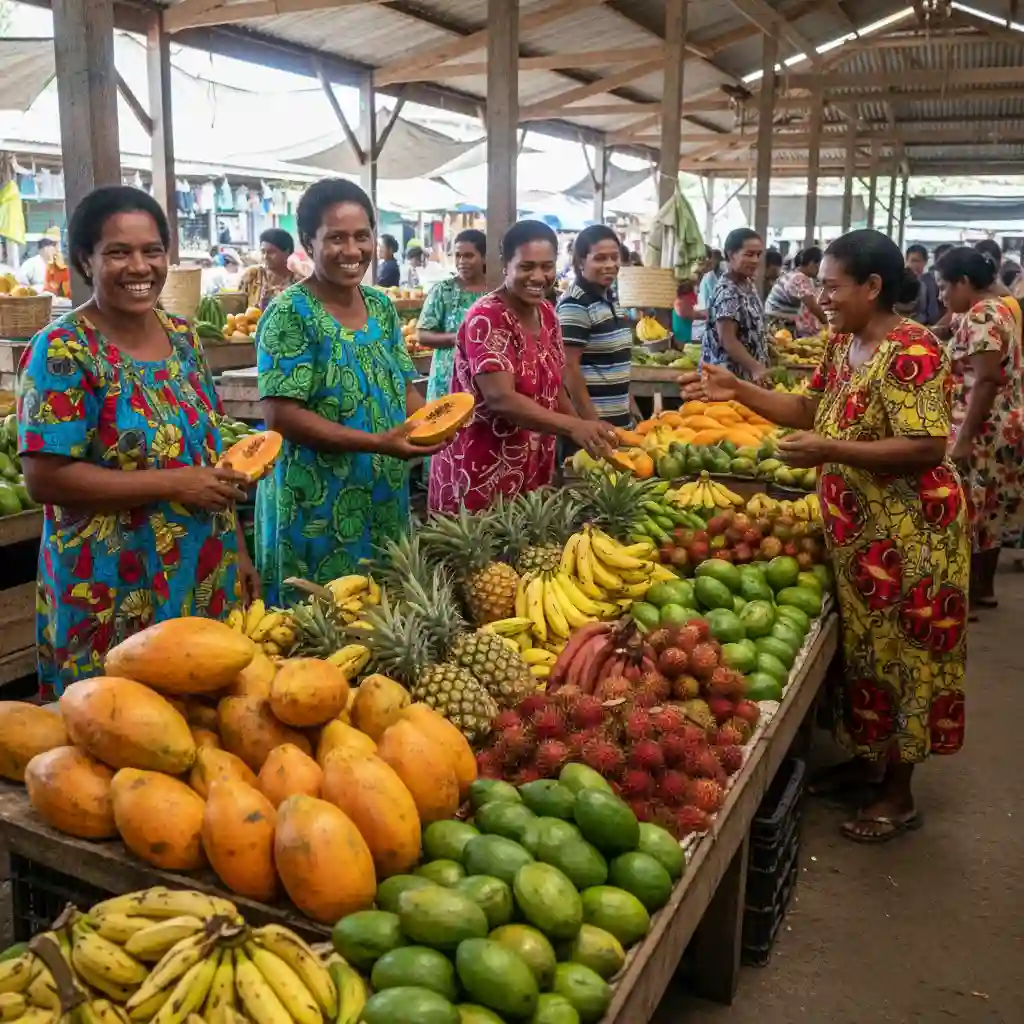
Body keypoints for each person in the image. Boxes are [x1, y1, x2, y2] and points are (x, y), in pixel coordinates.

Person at [684, 228, 968, 842]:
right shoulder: (845, 344)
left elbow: (927, 447)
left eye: (833, 287)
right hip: (859, 528)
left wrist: (832, 450)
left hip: (913, 532)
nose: (822, 297)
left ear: (873, 287)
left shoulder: (914, 350)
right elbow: (809, 411)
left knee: (909, 653)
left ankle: (898, 792)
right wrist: (740, 390)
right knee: (864, 649)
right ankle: (868, 766)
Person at [16, 185, 257, 697]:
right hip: (106, 584)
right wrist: (173, 485)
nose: (139, 266)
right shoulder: (61, 350)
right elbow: (44, 477)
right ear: (86, 259)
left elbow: (207, 458)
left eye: (152, 251)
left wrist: (236, 546)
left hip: (199, 568)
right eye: (118, 252)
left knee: (203, 733)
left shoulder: (184, 338)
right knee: (116, 730)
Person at [255, 179, 443, 605]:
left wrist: (434, 424)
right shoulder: (290, 313)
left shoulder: (380, 306)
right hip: (314, 505)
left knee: (379, 617)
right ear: (307, 242)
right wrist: (376, 443)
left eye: (362, 236)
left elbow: (402, 385)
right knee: (315, 627)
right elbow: (280, 416)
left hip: (382, 494)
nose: (352, 250)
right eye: (336, 238)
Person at [428, 220, 618, 513]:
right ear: (506, 265)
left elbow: (554, 386)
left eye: (547, 266)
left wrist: (586, 429)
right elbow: (500, 398)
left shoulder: (547, 314)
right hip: (481, 467)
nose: (539, 277)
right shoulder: (487, 317)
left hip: (531, 463)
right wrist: (572, 426)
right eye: (527, 266)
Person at [935, 246, 1024, 611]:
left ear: (965, 282)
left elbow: (986, 380)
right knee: (989, 509)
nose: (942, 295)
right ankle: (982, 590)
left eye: (944, 287)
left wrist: (966, 438)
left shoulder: (981, 315)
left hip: (984, 426)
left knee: (970, 509)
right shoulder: (1003, 307)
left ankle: (966, 596)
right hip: (1004, 423)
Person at [557, 225, 635, 429]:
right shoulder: (575, 304)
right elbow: (568, 369)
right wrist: (593, 424)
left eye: (614, 257)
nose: (610, 264)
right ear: (582, 261)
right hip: (591, 433)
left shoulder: (610, 299)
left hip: (619, 426)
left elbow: (618, 367)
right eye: (600, 258)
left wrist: (633, 413)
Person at [417, 229, 489, 409]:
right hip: (445, 381)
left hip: (484, 383)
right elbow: (422, 334)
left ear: (484, 258)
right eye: (458, 256)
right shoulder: (444, 290)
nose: (462, 262)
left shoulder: (494, 292)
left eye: (469, 256)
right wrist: (457, 338)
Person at [702, 227, 769, 381]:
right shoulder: (728, 292)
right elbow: (728, 340)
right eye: (749, 254)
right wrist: (755, 367)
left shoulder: (747, 283)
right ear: (731, 255)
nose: (755, 260)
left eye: (758, 255)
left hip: (746, 378)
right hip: (728, 379)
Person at [764, 246, 828, 338]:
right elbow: (813, 306)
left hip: (781, 319)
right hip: (777, 323)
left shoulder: (795, 274)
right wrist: (828, 323)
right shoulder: (798, 278)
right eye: (820, 266)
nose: (821, 271)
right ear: (812, 264)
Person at [239, 228, 299, 310]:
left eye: (271, 252)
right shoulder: (252, 275)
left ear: (287, 252)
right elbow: (238, 307)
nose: (265, 257)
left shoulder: (299, 283)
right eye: (263, 252)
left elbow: (307, 315)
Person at [905, 243, 941, 325]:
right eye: (912, 260)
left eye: (917, 261)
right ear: (906, 260)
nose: (914, 265)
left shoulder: (930, 282)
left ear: (925, 262)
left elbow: (933, 312)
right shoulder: (899, 279)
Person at [672, 279, 704, 344]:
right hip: (686, 341)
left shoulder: (680, 300)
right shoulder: (682, 301)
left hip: (686, 339)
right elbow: (694, 314)